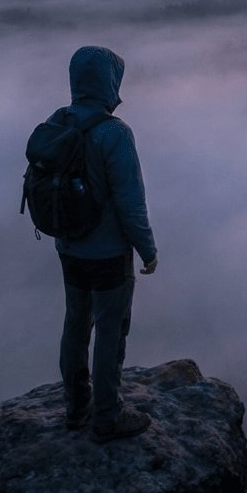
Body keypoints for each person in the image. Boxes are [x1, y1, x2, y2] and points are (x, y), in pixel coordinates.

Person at [51, 45, 158, 442]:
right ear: (109, 83)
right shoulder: (115, 133)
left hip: (68, 248)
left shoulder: (58, 121)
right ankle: (108, 416)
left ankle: (76, 409)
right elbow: (131, 202)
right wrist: (147, 250)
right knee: (110, 332)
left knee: (75, 326)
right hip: (110, 255)